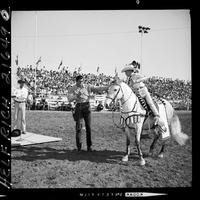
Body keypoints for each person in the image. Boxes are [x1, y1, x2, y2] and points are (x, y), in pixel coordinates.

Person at [68, 75, 108, 152]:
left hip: (87, 106)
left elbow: (98, 88)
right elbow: (69, 99)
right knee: (78, 128)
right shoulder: (72, 88)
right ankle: (79, 147)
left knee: (88, 127)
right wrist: (76, 96)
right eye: (80, 82)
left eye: (82, 81)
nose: (82, 83)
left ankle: (89, 147)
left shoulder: (87, 86)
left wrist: (108, 87)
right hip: (78, 106)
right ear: (76, 82)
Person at [121, 64, 166, 129]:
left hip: (143, 91)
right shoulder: (128, 79)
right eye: (125, 72)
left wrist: (138, 80)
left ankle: (157, 116)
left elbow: (145, 77)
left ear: (130, 71)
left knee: (150, 103)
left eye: (126, 72)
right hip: (136, 93)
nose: (125, 73)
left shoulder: (136, 75)